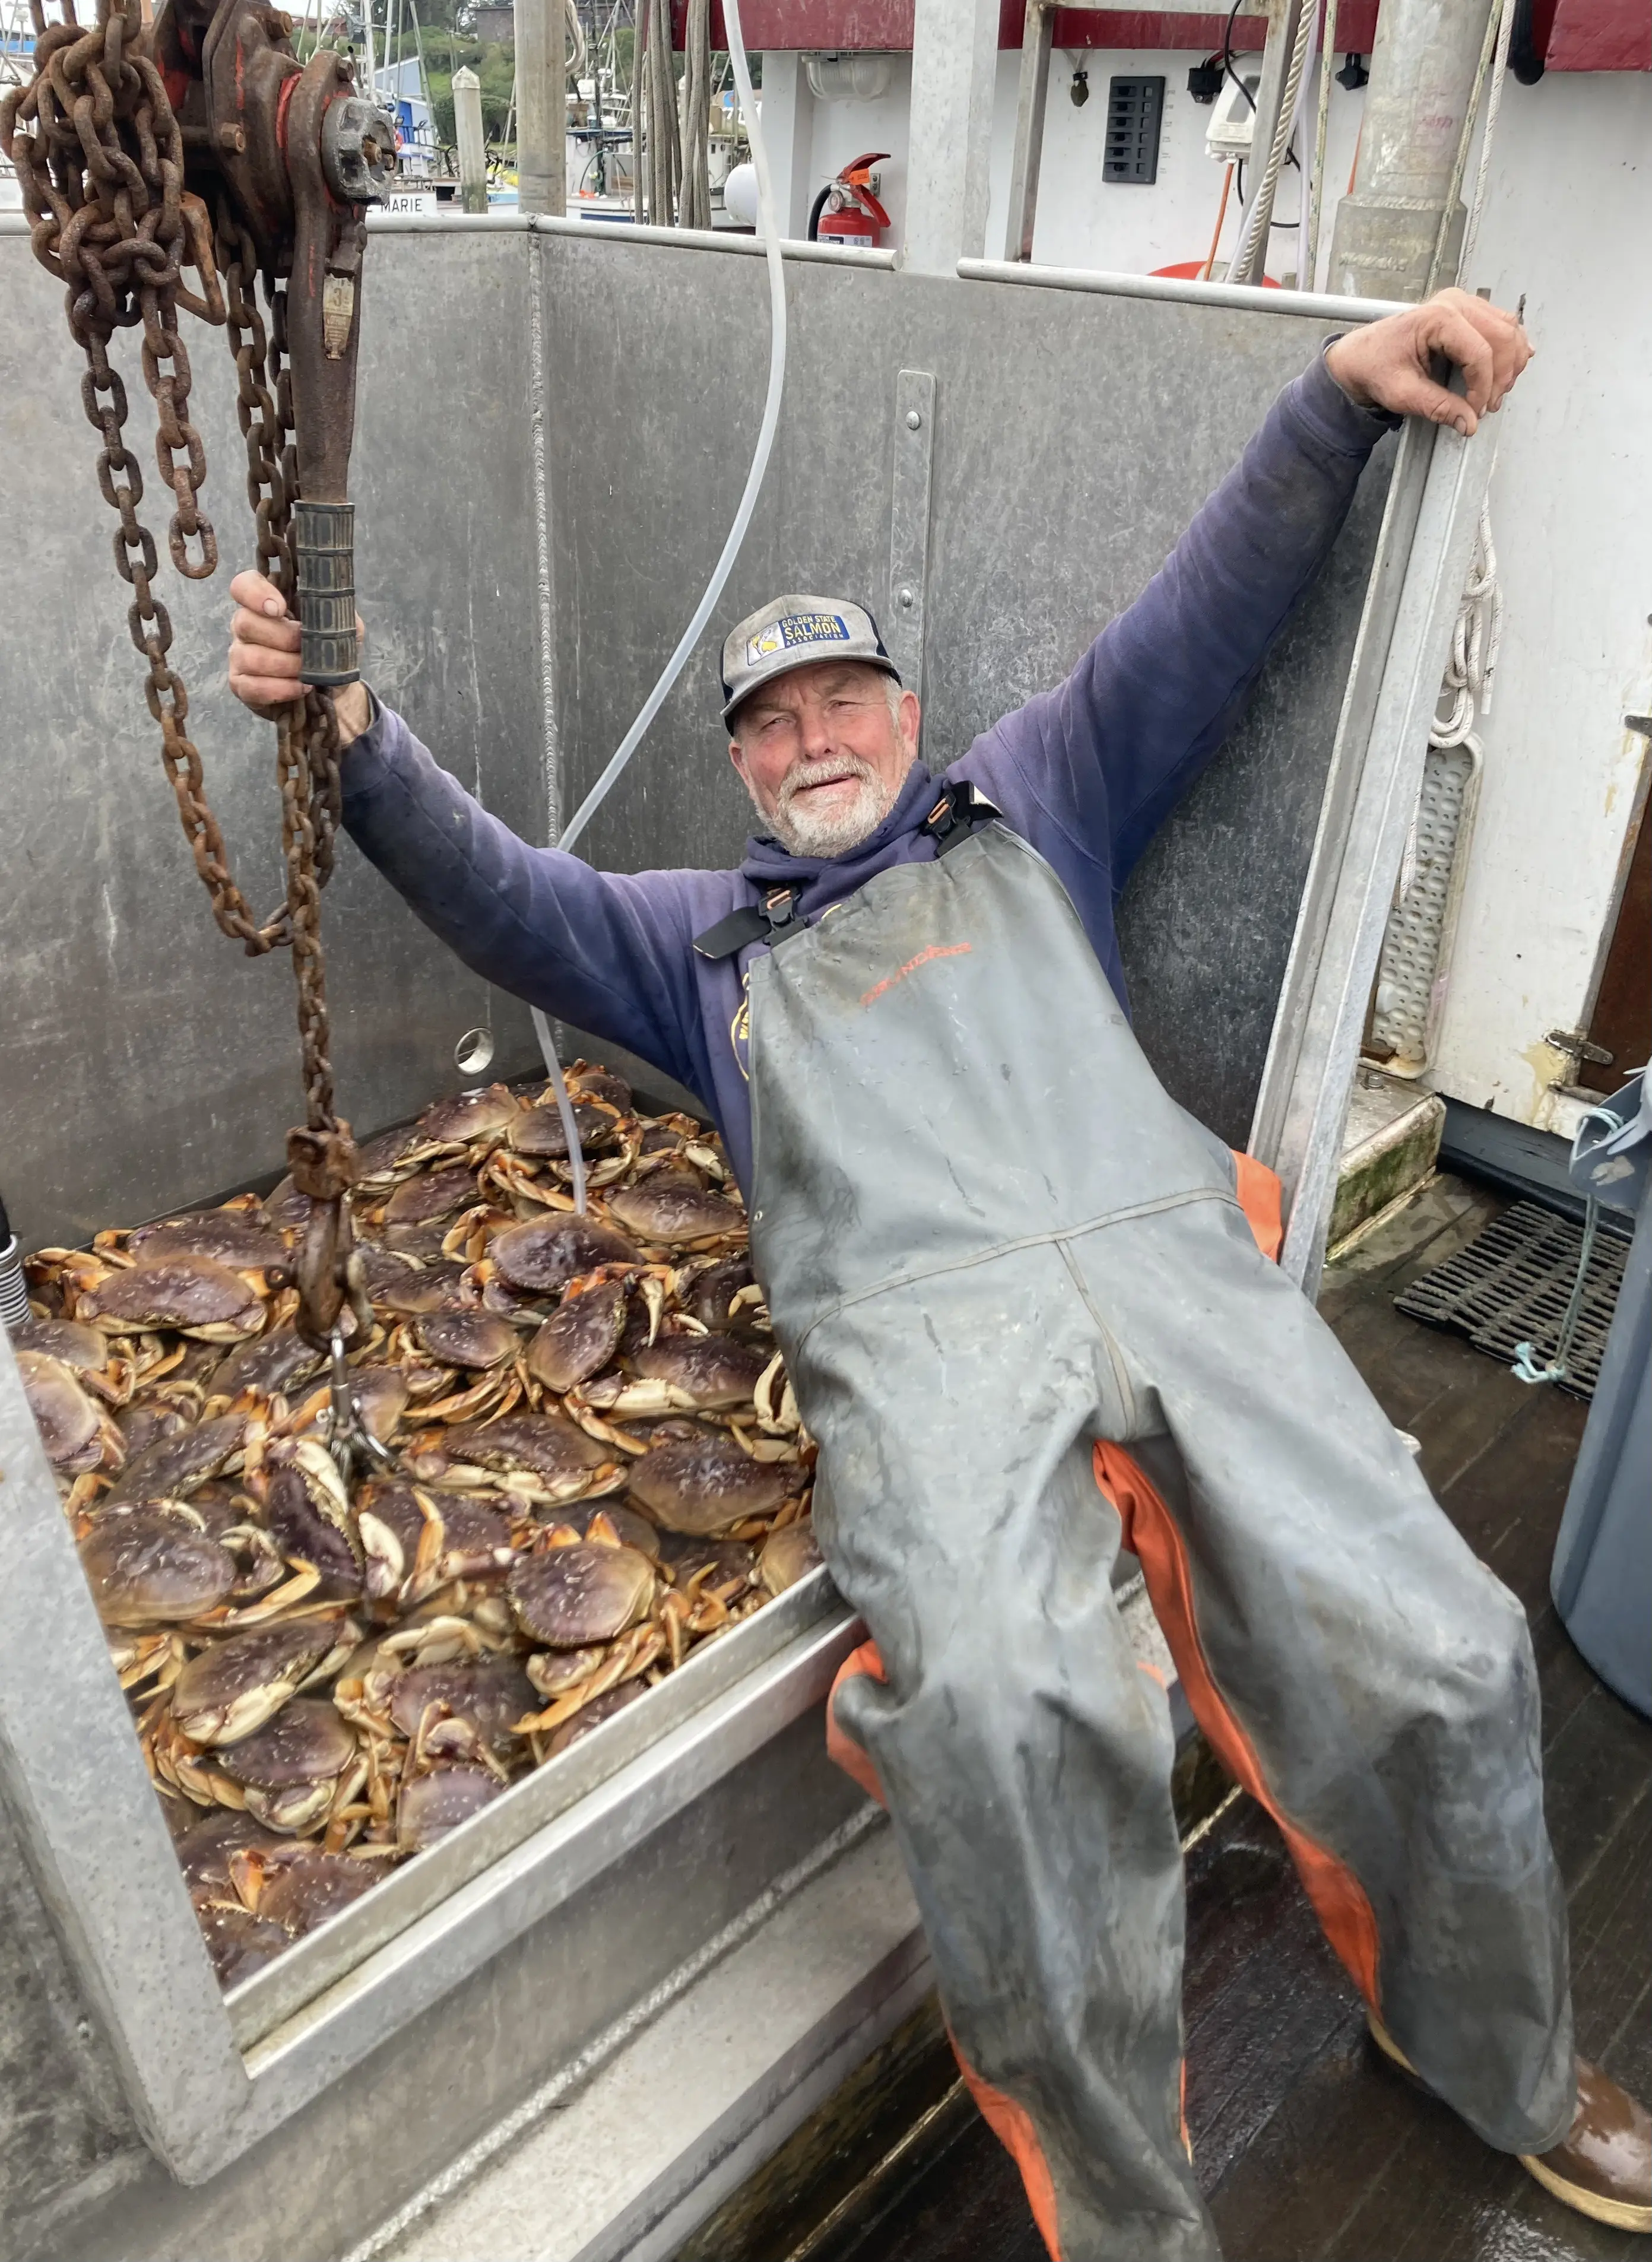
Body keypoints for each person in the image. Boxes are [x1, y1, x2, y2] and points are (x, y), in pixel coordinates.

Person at [228, 289, 1650, 2260]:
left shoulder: (1037, 797)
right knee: (1002, 1728)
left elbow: (1202, 612)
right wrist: (356, 738)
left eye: (844, 703)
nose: (813, 737)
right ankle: (1133, 2232)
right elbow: (499, 894)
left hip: (1168, 1275)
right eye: (771, 722)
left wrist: (1333, 400)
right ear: (738, 765)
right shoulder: (689, 948)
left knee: (1450, 1646)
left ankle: (1491, 2048)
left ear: (908, 716)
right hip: (921, 1353)